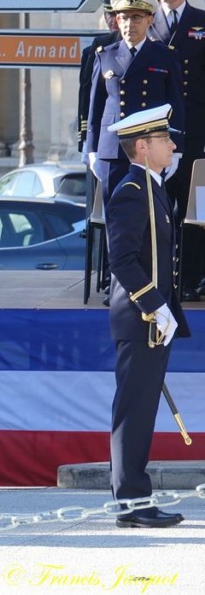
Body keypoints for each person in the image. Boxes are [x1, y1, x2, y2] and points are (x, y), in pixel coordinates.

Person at [104, 104, 189, 528]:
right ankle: (132, 503)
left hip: (152, 319)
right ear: (142, 146)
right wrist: (153, 304)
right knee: (133, 412)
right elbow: (120, 257)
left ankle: (135, 498)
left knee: (140, 411)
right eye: (165, 140)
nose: (173, 146)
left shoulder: (150, 186)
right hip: (141, 319)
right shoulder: (132, 190)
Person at [84, 0, 184, 207]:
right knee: (115, 218)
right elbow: (95, 107)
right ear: (118, 20)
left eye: (137, 17)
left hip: (151, 149)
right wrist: (92, 150)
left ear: (149, 19)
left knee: (152, 216)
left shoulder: (165, 56)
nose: (130, 23)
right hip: (113, 151)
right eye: (125, 17)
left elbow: (176, 105)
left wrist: (177, 149)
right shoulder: (104, 55)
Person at [146, 0, 205, 302]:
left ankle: (192, 279)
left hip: (196, 135)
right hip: (154, 136)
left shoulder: (201, 23)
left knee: (194, 212)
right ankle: (159, 279)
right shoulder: (146, 22)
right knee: (155, 212)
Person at [77, 0, 119, 154]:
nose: (112, 19)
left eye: (116, 14)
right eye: (108, 14)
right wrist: (85, 138)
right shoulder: (94, 50)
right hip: (102, 136)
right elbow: (87, 96)